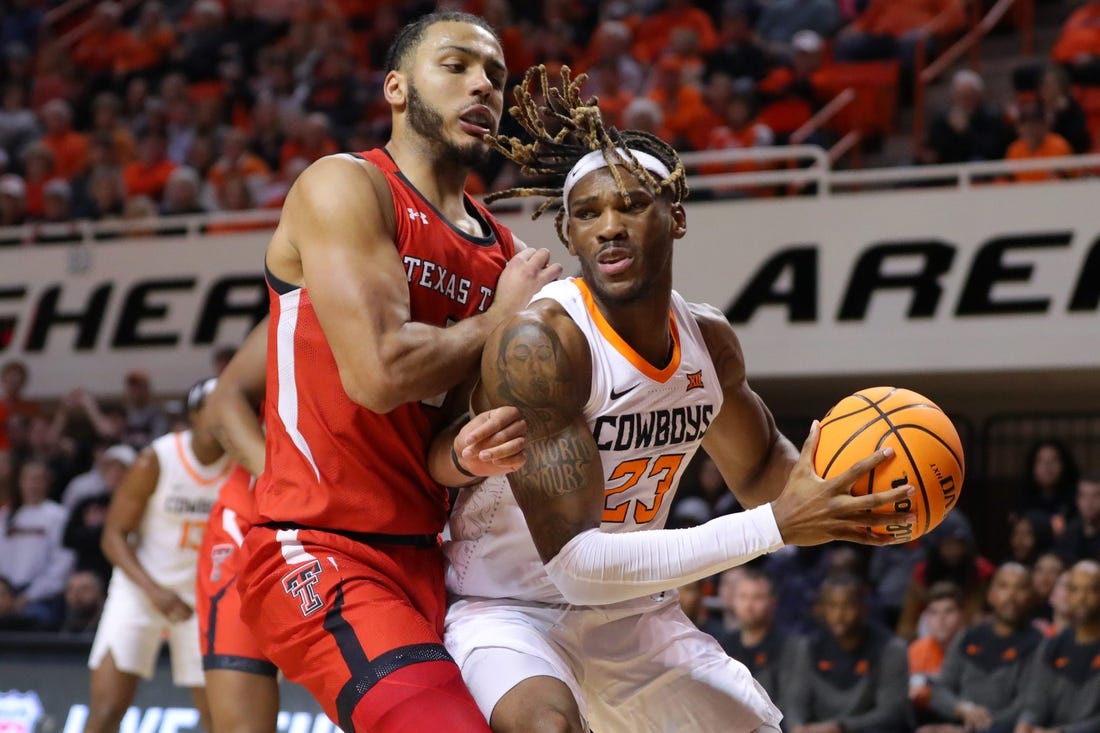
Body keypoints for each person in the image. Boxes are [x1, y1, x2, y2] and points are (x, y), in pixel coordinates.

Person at [442, 65, 915, 733]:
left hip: (633, 612)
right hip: (508, 608)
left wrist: (848, 495)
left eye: (631, 204)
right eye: (587, 214)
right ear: (570, 235)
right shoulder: (541, 343)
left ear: (677, 216)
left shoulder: (709, 340)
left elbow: (758, 474)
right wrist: (780, 522)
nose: (609, 226)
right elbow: (576, 567)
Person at [234, 11, 561, 733]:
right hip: (321, 545)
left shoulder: (503, 250)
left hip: (433, 557)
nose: (482, 84)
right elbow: (379, 373)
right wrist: (502, 320)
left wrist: (474, 445)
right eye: (456, 65)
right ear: (397, 88)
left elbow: (444, 440)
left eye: (497, 77)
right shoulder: (345, 186)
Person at [83, 378, 231, 733]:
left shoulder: (243, 462)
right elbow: (113, 536)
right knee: (106, 709)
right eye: (218, 405)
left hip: (205, 599)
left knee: (215, 716)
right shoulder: (156, 459)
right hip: (142, 589)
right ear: (195, 414)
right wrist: (155, 591)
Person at [197, 318, 278, 733]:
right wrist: (282, 486)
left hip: (374, 528)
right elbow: (219, 410)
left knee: (380, 707)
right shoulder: (300, 298)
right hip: (250, 522)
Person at [920, 562, 1041, 733]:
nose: (1011, 595)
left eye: (1020, 588)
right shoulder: (968, 637)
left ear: (1031, 597)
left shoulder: (1039, 644)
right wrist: (962, 709)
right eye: (1004, 586)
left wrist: (977, 728)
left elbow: (1026, 706)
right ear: (991, 595)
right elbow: (940, 689)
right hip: (961, 722)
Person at [784, 575, 912, 733]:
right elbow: (795, 704)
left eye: (847, 606)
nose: (839, 615)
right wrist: (798, 728)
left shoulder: (890, 649)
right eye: (832, 606)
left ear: (863, 607)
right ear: (822, 609)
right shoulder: (809, 648)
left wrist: (840, 727)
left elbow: (892, 714)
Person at [1014, 560, 1100, 733]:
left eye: (1091, 590)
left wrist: (1063, 732)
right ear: (1068, 595)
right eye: (1075, 590)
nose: (1082, 598)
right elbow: (1036, 704)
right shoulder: (1053, 645)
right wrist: (1025, 724)